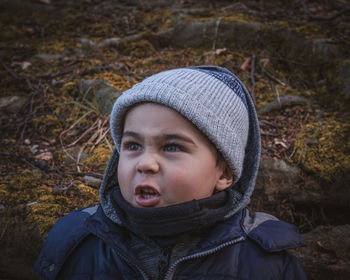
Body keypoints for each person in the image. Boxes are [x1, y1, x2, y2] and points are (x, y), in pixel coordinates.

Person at [34, 66, 307, 279]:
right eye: (132, 146)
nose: (145, 164)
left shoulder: (265, 261)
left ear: (223, 173)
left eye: (172, 147)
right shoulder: (73, 240)